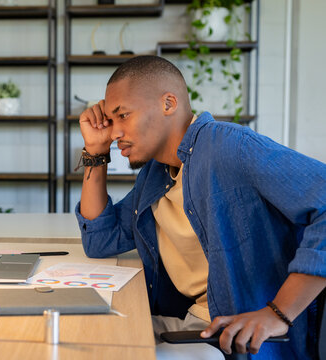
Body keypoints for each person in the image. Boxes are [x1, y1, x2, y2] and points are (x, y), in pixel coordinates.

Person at [75, 55, 326, 360]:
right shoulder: (155, 174)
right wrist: (95, 151)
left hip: (237, 342)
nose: (114, 134)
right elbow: (101, 239)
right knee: (82, 337)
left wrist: (278, 313)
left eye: (123, 115)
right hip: (193, 324)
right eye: (110, 121)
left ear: (169, 103)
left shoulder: (230, 147)